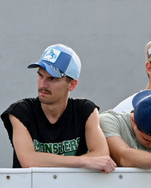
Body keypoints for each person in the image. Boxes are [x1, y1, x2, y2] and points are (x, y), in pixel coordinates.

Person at [2, 44, 115, 172]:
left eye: (52, 78)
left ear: (72, 84)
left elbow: (101, 156)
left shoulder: (85, 111)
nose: (43, 84)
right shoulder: (21, 111)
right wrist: (83, 161)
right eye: (40, 75)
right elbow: (28, 160)